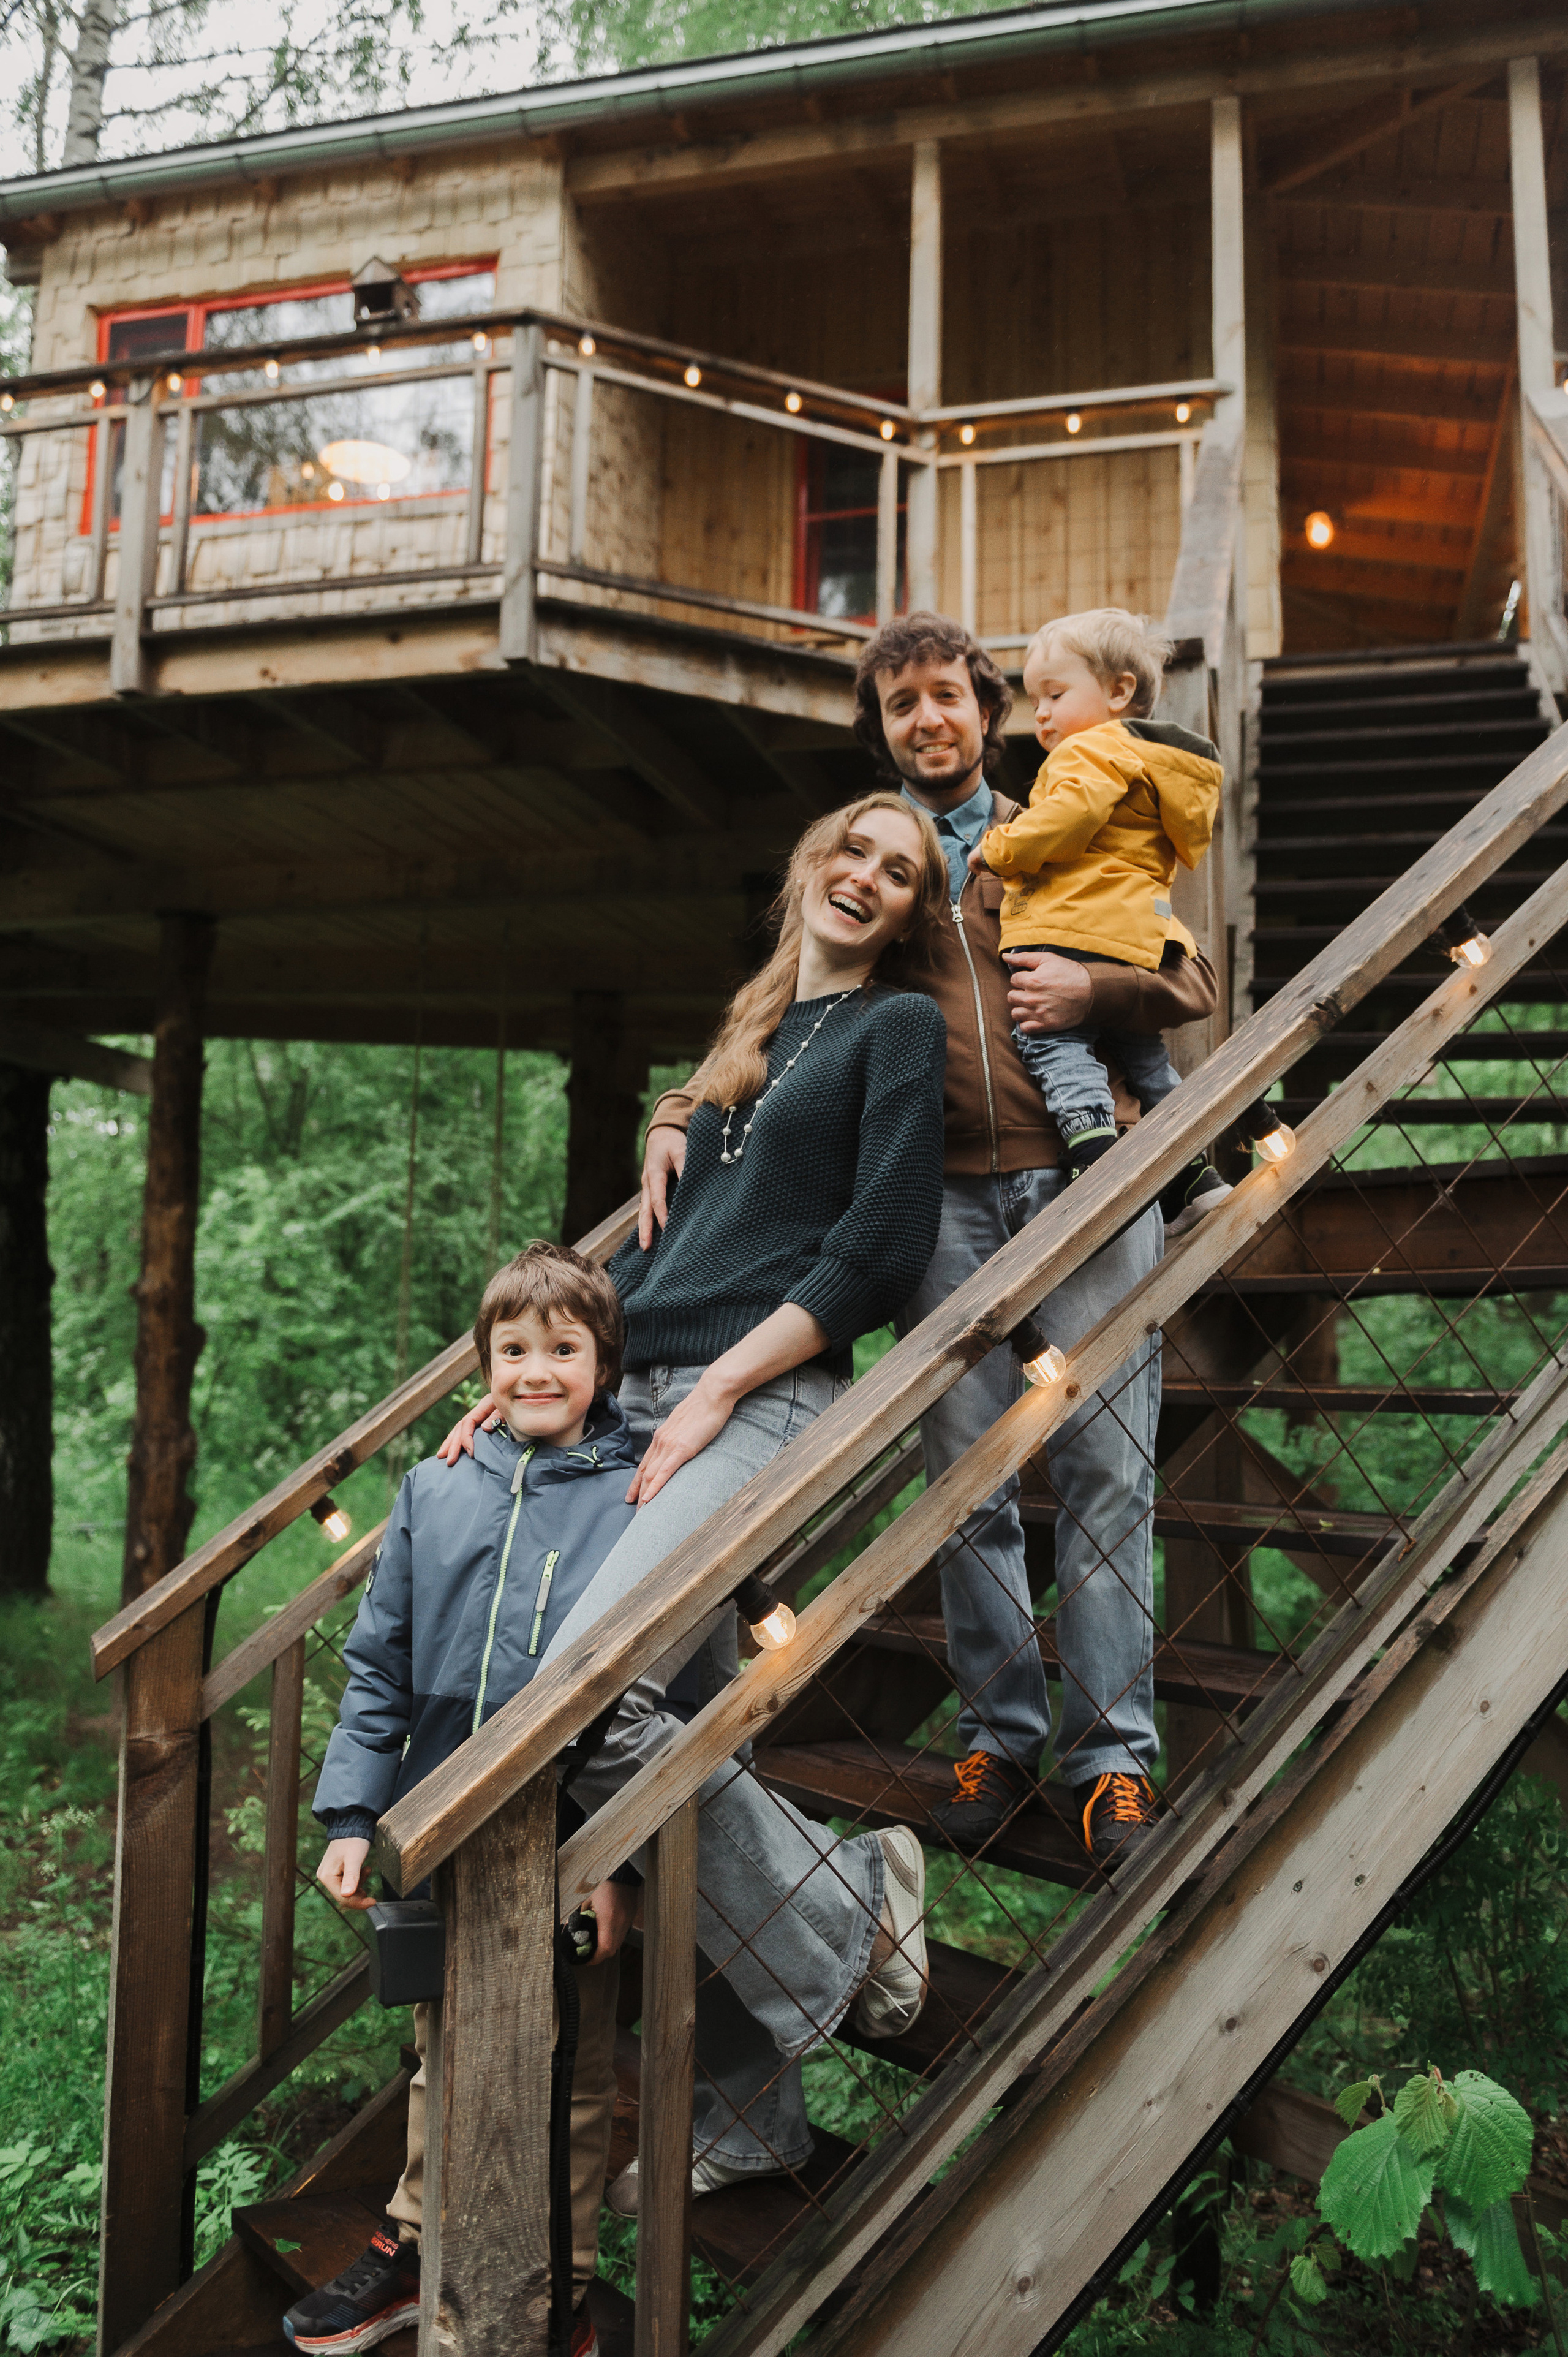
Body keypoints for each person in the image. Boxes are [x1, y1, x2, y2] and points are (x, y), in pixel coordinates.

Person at [442, 791, 951, 2207]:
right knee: (670, 1724)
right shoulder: (745, 1037)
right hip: (633, 1394)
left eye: (899, 871)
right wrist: (549, 1379)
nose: (867, 875)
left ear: (912, 911)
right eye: (850, 848)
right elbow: (671, 1251)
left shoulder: (895, 1030)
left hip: (753, 1397)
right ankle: (752, 2111)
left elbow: (880, 1244)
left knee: (583, 1699)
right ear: (807, 865)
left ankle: (847, 1914)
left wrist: (724, 1385)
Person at [644, 614, 1218, 1865]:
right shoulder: (881, 862)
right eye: (901, 705)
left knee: (1107, 1474)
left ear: (986, 707)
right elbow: (786, 997)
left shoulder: (1067, 818)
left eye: (946, 697)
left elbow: (1188, 982)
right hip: (941, 1203)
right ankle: (999, 1738)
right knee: (965, 1488)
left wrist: (1090, 991)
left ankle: (1111, 1757)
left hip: (1086, 1189)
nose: (927, 720)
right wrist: (681, 1104)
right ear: (883, 728)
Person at [285, 1241, 644, 2357]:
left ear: (603, 1359)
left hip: (574, 1831)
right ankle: (410, 2246)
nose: (538, 1370)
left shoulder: (644, 1497)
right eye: (514, 1350)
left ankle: (566, 2293)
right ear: (483, 1362)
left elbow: (663, 1688)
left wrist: (620, 1860)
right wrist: (352, 1817)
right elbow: (380, 1667)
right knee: (443, 2047)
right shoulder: (435, 1487)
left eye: (564, 1349)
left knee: (573, 2070)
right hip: (443, 1825)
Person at [972, 607, 1231, 1236]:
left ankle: (1094, 1155)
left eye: (1055, 694)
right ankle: (1194, 1176)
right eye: (1034, 699)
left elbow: (1065, 821)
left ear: (1118, 692)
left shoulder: (1088, 752)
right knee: (1141, 1055)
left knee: (1048, 1036)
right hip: (1130, 936)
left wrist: (1000, 847)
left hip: (1073, 929)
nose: (1040, 713)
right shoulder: (1152, 764)